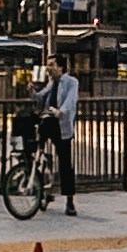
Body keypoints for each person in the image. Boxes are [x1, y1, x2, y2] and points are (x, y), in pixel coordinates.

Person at [40, 53, 81, 213]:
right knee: (36, 152)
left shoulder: (71, 82)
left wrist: (60, 111)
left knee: (65, 162)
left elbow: (71, 101)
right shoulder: (51, 83)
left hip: (61, 124)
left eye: (51, 64)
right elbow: (41, 96)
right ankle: (41, 189)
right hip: (47, 120)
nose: (48, 68)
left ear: (60, 67)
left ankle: (69, 201)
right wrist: (33, 92)